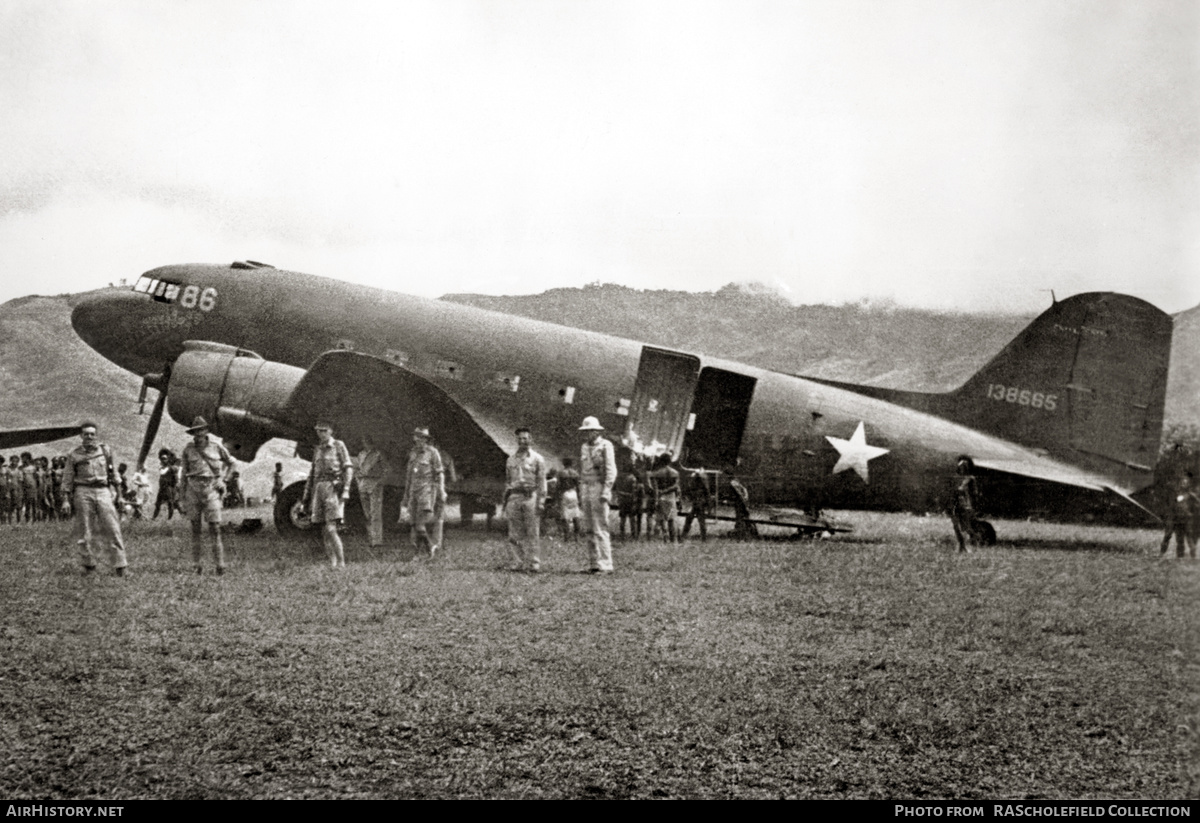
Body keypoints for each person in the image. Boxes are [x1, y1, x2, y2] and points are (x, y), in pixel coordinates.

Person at [61, 421, 128, 576]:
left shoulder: (105, 450)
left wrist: (120, 496)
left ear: (96, 435)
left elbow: (114, 475)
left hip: (103, 490)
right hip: (83, 491)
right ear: (81, 436)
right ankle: (88, 565)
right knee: (85, 529)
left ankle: (120, 566)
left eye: (92, 434)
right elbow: (67, 478)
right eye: (86, 434)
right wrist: (65, 499)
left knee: (112, 527)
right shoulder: (74, 454)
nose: (89, 437)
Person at [179, 416, 235, 575]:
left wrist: (224, 480)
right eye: (196, 431)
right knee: (195, 529)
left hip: (211, 489)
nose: (199, 434)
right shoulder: (188, 449)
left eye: (201, 430)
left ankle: (220, 565)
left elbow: (233, 463)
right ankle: (197, 565)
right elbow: (183, 474)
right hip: (193, 489)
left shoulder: (217, 447)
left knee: (215, 528)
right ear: (193, 433)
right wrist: (182, 497)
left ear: (207, 431)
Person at [303, 421, 354, 568]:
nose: (321, 433)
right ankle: (332, 563)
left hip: (333, 487)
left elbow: (348, 468)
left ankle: (341, 563)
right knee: (324, 530)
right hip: (318, 488)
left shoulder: (338, 445)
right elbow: (312, 473)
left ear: (331, 431)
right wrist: (306, 495)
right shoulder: (317, 449)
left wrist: (346, 490)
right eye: (318, 431)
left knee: (332, 528)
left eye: (324, 430)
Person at [504, 427, 547, 572]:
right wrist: (506, 501)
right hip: (514, 496)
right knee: (514, 532)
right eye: (520, 439)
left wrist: (541, 501)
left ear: (530, 439)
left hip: (530, 497)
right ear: (516, 440)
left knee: (532, 531)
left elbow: (542, 481)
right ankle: (517, 562)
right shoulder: (510, 459)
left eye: (525, 438)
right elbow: (508, 481)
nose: (522, 441)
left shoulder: (537, 459)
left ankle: (534, 563)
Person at [578, 416, 617, 573]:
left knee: (600, 527)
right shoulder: (584, 447)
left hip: (599, 487)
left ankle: (606, 564)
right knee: (589, 528)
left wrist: (606, 491)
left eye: (590, 431)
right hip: (586, 487)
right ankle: (594, 563)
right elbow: (583, 470)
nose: (587, 434)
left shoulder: (605, 445)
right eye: (585, 431)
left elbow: (611, 469)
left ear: (596, 431)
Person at [403, 427, 445, 557]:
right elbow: (409, 476)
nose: (418, 440)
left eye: (421, 437)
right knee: (414, 525)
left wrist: (442, 490)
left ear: (426, 439)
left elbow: (440, 473)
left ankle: (427, 550)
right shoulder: (413, 453)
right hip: (413, 492)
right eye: (416, 437)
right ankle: (423, 551)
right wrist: (406, 494)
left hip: (426, 491)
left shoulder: (433, 453)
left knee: (420, 526)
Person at [1159, 472, 1199, 560]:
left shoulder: (1191, 496)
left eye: (1186, 482)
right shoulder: (1174, 492)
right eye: (1183, 482)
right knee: (1168, 534)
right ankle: (1161, 554)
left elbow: (1197, 506)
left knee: (1186, 537)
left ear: (1189, 484)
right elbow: (1169, 503)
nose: (1184, 483)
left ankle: (1188, 556)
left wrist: (1190, 513)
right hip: (1174, 517)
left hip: (1184, 518)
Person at [949, 456, 982, 553]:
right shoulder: (956, 478)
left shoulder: (970, 479)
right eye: (961, 466)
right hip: (955, 503)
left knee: (965, 527)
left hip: (965, 504)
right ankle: (961, 546)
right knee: (955, 526)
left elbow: (975, 493)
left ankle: (974, 541)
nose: (962, 468)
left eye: (964, 466)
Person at [649, 453, 681, 544]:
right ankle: (673, 540)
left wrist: (656, 500)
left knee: (661, 520)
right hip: (671, 497)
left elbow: (655, 489)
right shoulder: (675, 473)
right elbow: (676, 486)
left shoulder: (655, 474)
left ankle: (664, 539)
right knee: (671, 520)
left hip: (660, 497)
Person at [681, 469, 713, 542]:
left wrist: (709, 507)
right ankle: (702, 538)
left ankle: (684, 535)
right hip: (698, 503)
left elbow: (707, 495)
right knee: (697, 520)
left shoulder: (699, 484)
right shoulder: (699, 484)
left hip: (699, 504)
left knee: (694, 520)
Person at [557, 457, 582, 542]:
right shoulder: (575, 473)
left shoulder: (561, 473)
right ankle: (576, 536)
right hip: (573, 493)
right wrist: (579, 498)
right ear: (571, 464)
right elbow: (578, 487)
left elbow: (558, 486)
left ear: (564, 464)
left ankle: (566, 536)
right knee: (576, 515)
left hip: (565, 494)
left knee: (565, 517)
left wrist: (557, 497)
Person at [153, 448, 180, 519]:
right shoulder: (163, 467)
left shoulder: (171, 468)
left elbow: (174, 476)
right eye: (162, 459)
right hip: (162, 487)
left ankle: (169, 518)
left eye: (164, 458)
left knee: (170, 503)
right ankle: (154, 517)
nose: (162, 460)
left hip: (169, 487)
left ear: (168, 459)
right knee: (158, 503)